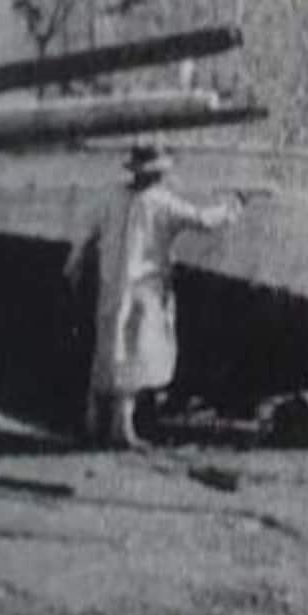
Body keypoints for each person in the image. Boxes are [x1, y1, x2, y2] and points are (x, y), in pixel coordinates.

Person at [69, 145, 239, 449]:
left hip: (112, 285)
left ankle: (92, 420)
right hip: (143, 288)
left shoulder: (111, 197)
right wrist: (234, 206)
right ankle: (121, 427)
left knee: (107, 349)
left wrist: (76, 262)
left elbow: (86, 232)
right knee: (136, 353)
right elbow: (203, 220)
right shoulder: (161, 202)